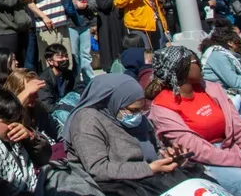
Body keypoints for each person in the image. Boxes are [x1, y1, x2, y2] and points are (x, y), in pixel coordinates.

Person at [64, 74, 209, 196]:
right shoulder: (88, 121)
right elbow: (98, 169)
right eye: (132, 110)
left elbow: (155, 149)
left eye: (140, 110)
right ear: (112, 102)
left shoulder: (140, 120)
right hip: (119, 185)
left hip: (151, 177)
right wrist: (149, 169)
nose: (137, 116)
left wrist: (169, 156)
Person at [146, 45, 241, 196]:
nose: (200, 64)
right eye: (195, 61)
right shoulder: (162, 107)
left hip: (231, 149)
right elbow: (197, 150)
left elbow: (239, 129)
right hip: (205, 163)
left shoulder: (211, 89)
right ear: (181, 69)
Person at [0, 89, 51, 195]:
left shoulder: (18, 136)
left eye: (18, 121)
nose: (14, 126)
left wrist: (31, 138)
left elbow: (44, 157)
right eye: (9, 122)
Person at [200, 25, 241, 125]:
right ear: (230, 43)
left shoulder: (226, 55)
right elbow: (234, 82)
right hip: (224, 97)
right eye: (238, 36)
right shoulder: (218, 55)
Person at [59, 0, 96, 84]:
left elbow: (95, 5)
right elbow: (63, 7)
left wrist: (86, 5)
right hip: (71, 26)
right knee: (74, 55)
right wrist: (75, 5)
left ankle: (89, 79)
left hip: (84, 26)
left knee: (86, 54)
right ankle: (76, 80)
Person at [5, 70, 58, 142]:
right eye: (32, 93)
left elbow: (56, 130)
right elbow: (7, 114)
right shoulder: (6, 113)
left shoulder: (38, 108)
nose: (36, 96)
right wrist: (27, 92)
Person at [94, 0, 125, 73]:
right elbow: (103, 5)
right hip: (106, 21)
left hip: (115, 19)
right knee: (108, 43)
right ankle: (110, 67)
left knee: (118, 42)